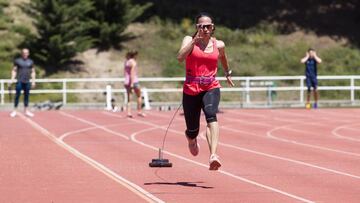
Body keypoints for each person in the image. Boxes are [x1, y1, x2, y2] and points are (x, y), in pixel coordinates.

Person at [177, 12, 234, 170]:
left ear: (213, 27)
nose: (205, 29)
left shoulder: (219, 44)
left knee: (211, 115)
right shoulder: (189, 40)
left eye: (208, 26)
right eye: (202, 26)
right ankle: (191, 139)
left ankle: (213, 155)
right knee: (192, 129)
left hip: (211, 86)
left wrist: (227, 72)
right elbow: (180, 57)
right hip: (191, 88)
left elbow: (223, 57)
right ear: (197, 27)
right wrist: (193, 42)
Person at [9, 48, 36, 117]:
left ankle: (26, 110)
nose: (25, 54)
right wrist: (12, 79)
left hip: (27, 81)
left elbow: (33, 72)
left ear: (28, 53)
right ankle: (15, 111)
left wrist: (33, 81)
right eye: (24, 53)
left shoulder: (31, 61)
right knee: (17, 96)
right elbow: (14, 70)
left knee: (26, 96)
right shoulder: (17, 61)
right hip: (19, 81)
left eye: (26, 53)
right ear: (22, 53)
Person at [123, 50, 145, 118]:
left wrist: (126, 81)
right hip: (134, 81)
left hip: (126, 81)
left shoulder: (126, 62)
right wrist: (132, 83)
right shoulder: (133, 62)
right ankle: (139, 111)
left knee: (129, 98)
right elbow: (132, 73)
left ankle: (129, 112)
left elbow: (125, 73)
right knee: (139, 96)